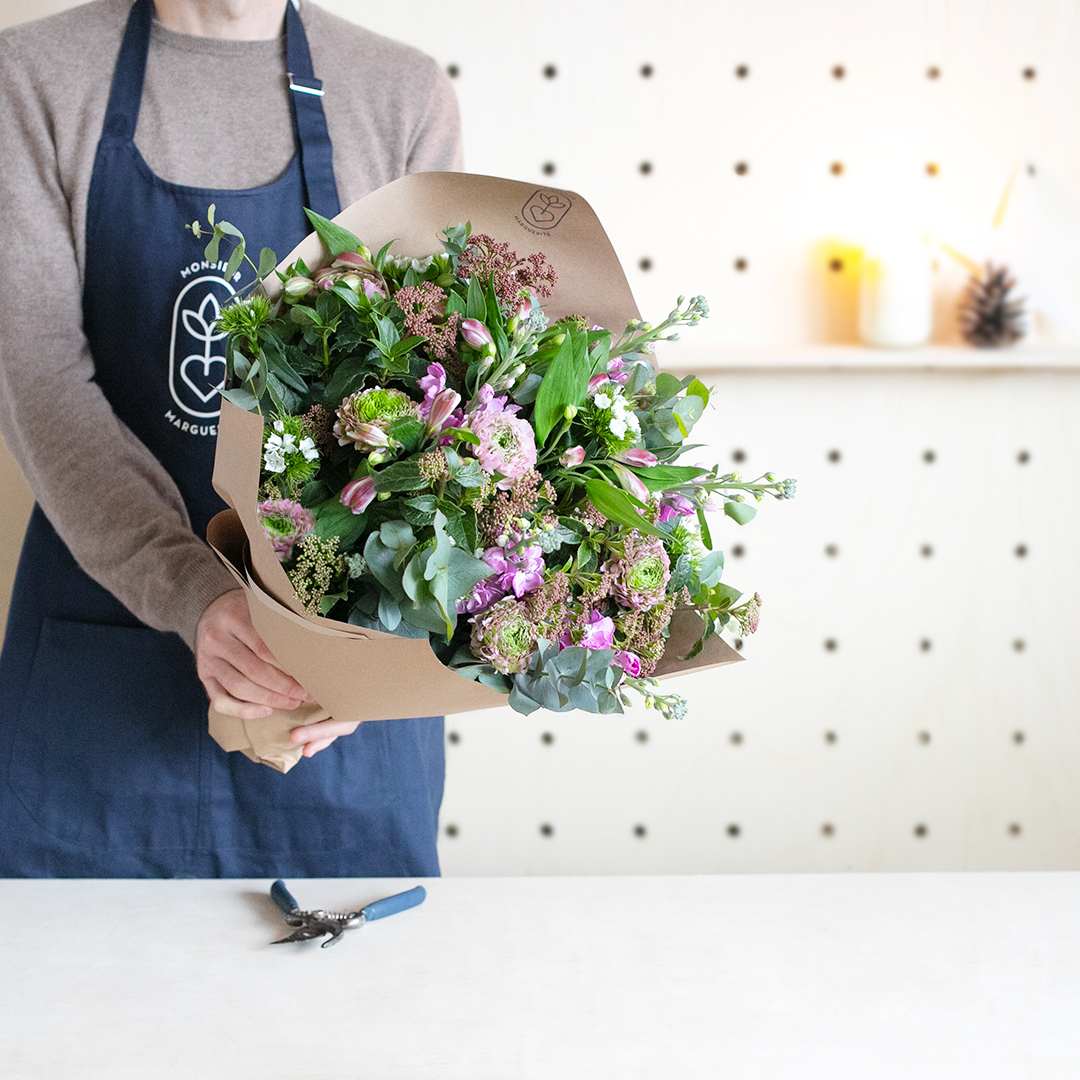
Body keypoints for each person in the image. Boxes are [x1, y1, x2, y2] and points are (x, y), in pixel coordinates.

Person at [0, 0, 462, 877]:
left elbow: (441, 411)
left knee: (360, 1012)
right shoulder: (29, 79)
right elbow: (38, 383)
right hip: (99, 672)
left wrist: (369, 657)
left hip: (332, 704)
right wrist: (193, 594)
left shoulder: (401, 96)